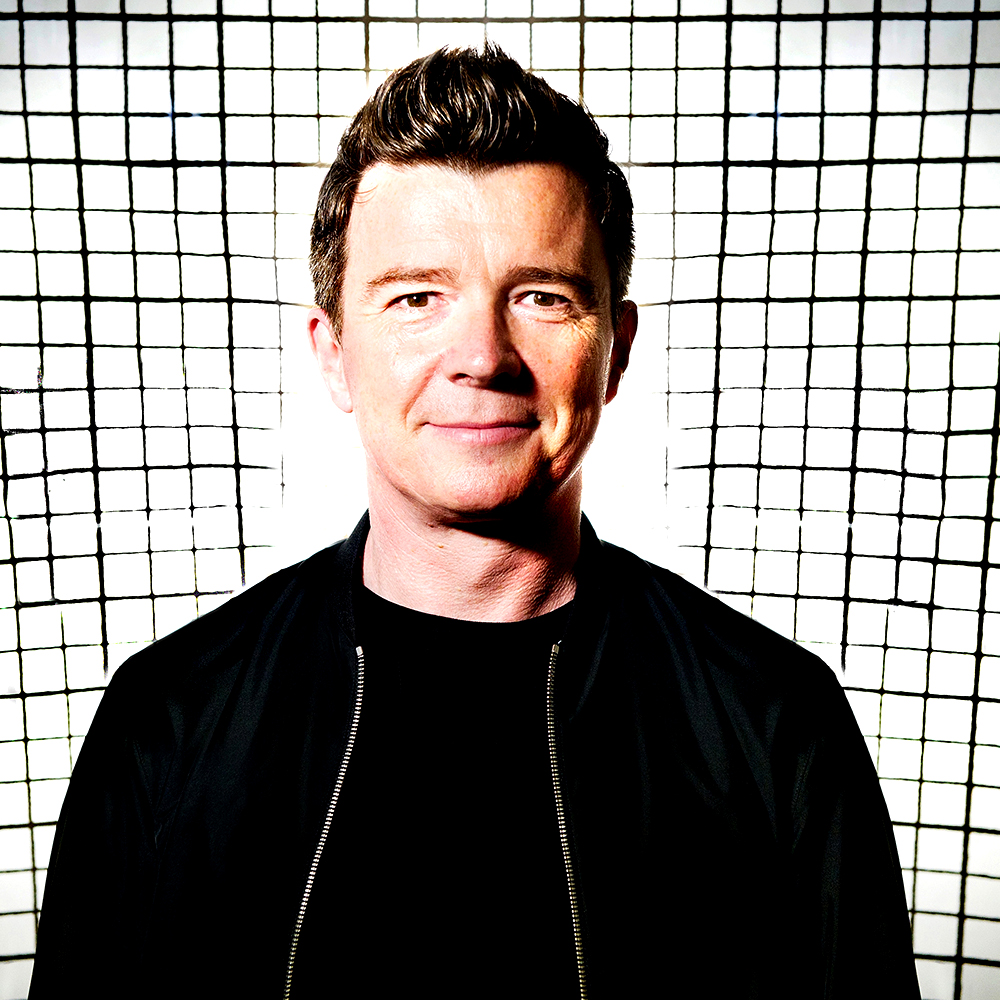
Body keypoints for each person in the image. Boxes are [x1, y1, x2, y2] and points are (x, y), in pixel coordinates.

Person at [30, 45, 918, 999]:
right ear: (332, 354)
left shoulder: (777, 723)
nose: (483, 355)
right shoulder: (168, 717)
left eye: (542, 297)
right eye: (417, 298)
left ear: (616, 351)